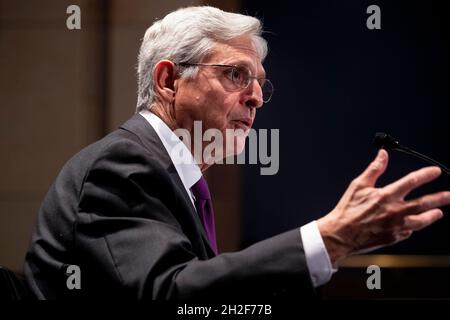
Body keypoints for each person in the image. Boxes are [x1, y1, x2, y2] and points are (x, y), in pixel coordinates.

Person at [24, 6, 450, 299]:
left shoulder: (171, 174)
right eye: (235, 75)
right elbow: (170, 294)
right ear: (169, 81)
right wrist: (328, 239)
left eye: (260, 83)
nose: (256, 99)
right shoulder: (123, 164)